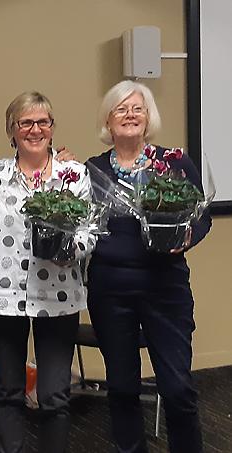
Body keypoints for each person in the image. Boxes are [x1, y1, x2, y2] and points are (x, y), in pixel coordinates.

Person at [86, 80, 212, 453]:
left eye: (137, 108)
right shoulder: (91, 170)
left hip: (165, 289)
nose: (129, 115)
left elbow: (200, 217)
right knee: (122, 388)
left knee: (177, 388)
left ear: (148, 117)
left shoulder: (173, 162)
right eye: (120, 109)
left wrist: (187, 238)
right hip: (110, 291)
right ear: (108, 121)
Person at [0, 91, 93, 453]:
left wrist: (70, 251)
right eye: (25, 122)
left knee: (55, 395)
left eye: (42, 122)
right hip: (4, 296)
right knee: (8, 392)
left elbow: (88, 231)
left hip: (59, 295)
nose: (35, 129)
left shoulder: (73, 174)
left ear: (52, 127)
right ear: (11, 130)